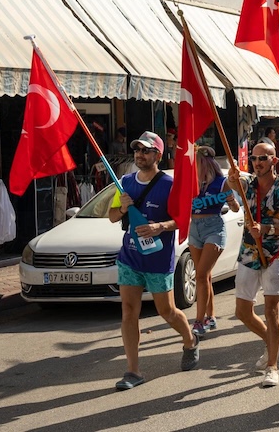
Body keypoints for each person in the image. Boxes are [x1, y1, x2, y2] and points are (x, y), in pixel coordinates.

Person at [108, 131, 199, 391]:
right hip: (130, 257)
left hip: (158, 260)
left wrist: (160, 226)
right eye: (137, 150)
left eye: (146, 150)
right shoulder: (124, 182)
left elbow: (183, 220)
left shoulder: (170, 185)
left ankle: (190, 340)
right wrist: (123, 208)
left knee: (167, 311)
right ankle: (133, 371)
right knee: (128, 311)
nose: (140, 154)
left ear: (158, 155)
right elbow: (113, 217)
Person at [227, 142, 279, 387]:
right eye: (254, 158)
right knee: (242, 311)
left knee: (271, 311)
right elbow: (233, 185)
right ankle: (274, 340)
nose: (257, 162)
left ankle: (272, 366)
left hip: (274, 252)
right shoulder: (249, 184)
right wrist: (232, 177)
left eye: (263, 158)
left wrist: (267, 228)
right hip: (248, 252)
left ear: (274, 161)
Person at [189, 146, 240, 337]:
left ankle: (199, 321)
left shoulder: (221, 183)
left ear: (206, 163)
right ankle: (211, 316)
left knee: (201, 275)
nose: (194, 167)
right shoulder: (192, 183)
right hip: (194, 228)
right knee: (206, 276)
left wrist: (232, 201)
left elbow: (235, 208)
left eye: (197, 163)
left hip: (214, 228)